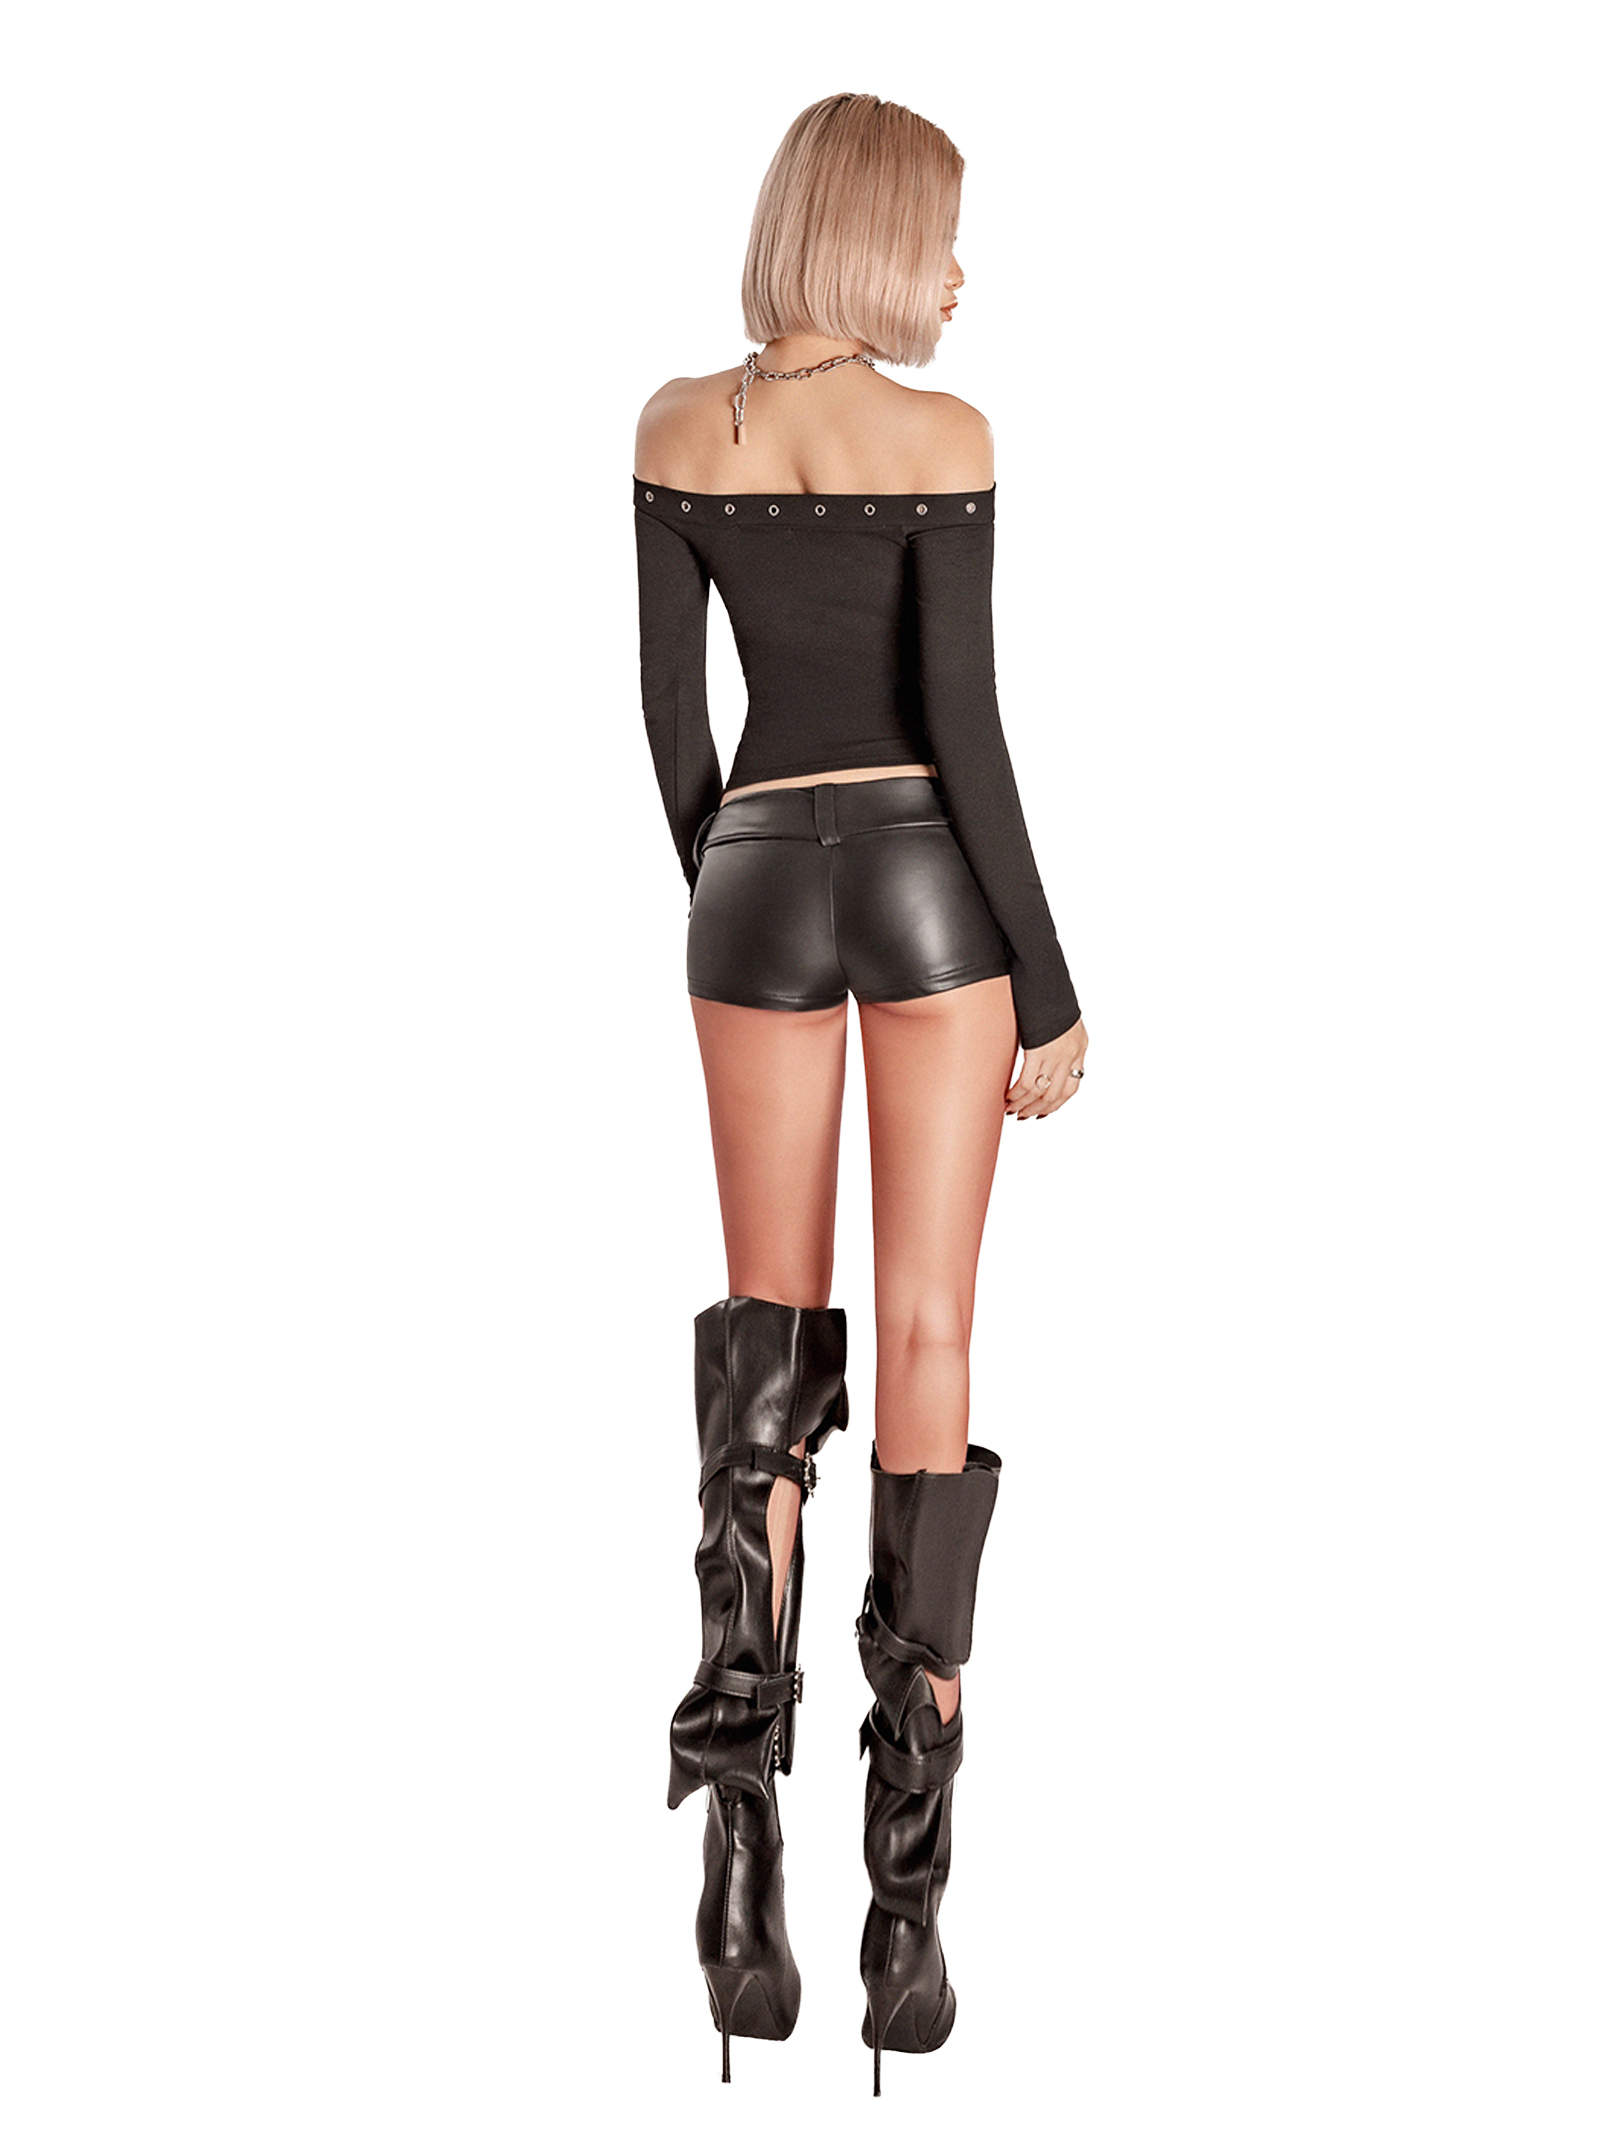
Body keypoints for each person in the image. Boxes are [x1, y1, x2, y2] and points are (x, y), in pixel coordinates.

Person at [633, 91, 1090, 2093]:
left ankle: (740, 1871)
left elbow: (677, 726)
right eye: (941, 236)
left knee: (771, 1340)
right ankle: (907, 1914)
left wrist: (735, 887)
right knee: (924, 1338)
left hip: (748, 880)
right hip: (924, 885)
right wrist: (1045, 988)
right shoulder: (946, 438)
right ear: (876, 233)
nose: (957, 276)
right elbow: (964, 734)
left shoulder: (677, 426)